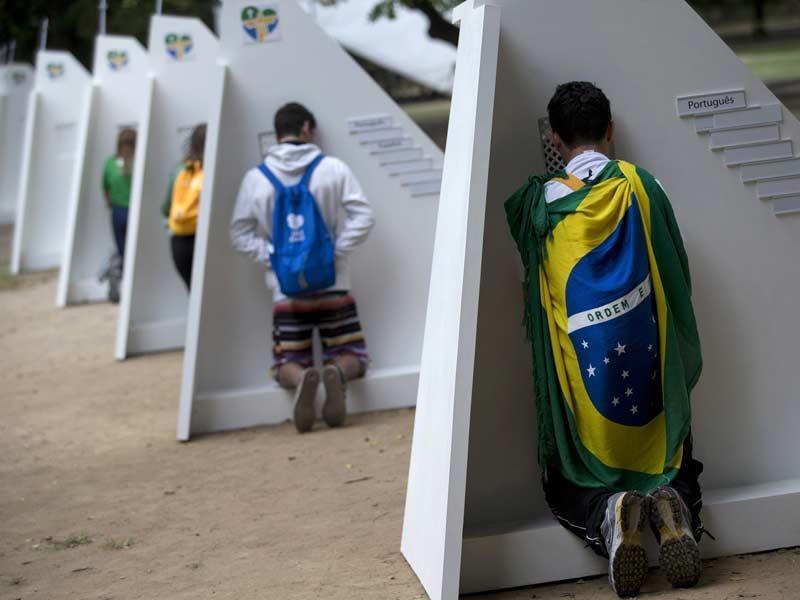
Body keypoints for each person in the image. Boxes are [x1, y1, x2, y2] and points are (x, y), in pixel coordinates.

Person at [505, 82, 705, 598]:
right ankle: (673, 507)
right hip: (651, 371)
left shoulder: (540, 204)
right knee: (677, 456)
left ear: (554, 137)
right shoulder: (643, 185)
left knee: (566, 483)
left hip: (583, 384)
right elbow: (676, 270)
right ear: (611, 130)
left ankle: (609, 517)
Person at [230, 102, 374, 433]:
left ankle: (301, 379)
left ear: (278, 134)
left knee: (285, 363)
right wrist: (332, 251)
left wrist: (273, 256)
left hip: (286, 287)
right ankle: (336, 374)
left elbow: (238, 233)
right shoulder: (333, 168)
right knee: (352, 353)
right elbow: (365, 216)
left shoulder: (256, 178)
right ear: (307, 128)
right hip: (333, 281)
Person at [162, 124, 206, 290]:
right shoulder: (214, 169)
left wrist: (170, 227)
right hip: (203, 239)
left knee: (194, 294)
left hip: (179, 241)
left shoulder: (180, 169)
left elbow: (166, 207)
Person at [102, 128, 136, 303]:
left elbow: (105, 189)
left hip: (117, 213)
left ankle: (118, 286)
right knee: (134, 253)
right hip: (134, 213)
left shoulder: (110, 163)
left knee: (122, 252)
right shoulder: (138, 162)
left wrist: (112, 203)